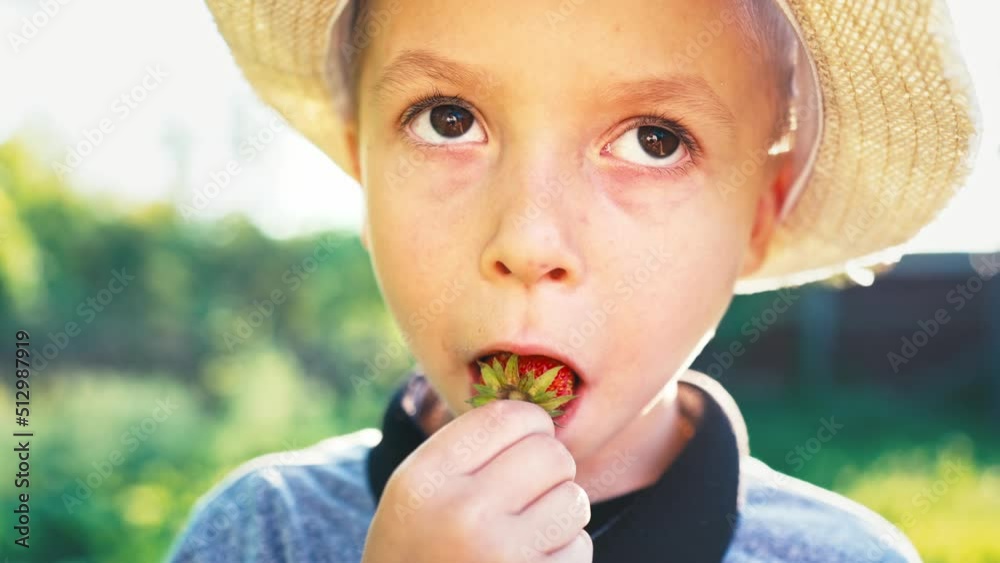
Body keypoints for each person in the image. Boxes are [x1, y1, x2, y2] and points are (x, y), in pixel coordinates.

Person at [167, 0, 979, 561]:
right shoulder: (261, 532)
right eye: (448, 119)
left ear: (760, 219)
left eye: (655, 140)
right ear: (361, 163)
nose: (527, 240)